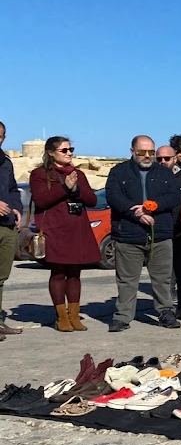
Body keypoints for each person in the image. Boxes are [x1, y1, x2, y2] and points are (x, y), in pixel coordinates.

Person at [105, 135, 181, 332]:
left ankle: (165, 312)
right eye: (142, 152)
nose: (147, 156)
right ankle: (123, 316)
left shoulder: (164, 173)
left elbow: (174, 196)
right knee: (127, 280)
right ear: (132, 151)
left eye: (151, 152)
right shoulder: (119, 172)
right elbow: (114, 197)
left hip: (160, 234)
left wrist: (155, 206)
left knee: (162, 278)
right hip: (129, 234)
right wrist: (134, 211)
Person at [28, 137, 100, 332]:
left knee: (75, 274)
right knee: (59, 273)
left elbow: (92, 200)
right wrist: (64, 188)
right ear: (51, 153)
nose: (69, 153)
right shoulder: (39, 174)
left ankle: (74, 315)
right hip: (55, 230)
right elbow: (41, 200)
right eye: (64, 150)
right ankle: (61, 318)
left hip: (77, 228)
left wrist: (76, 190)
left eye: (71, 149)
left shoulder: (79, 174)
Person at [157, 144, 181, 320]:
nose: (163, 162)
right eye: (159, 159)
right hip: (158, 234)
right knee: (162, 275)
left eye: (166, 158)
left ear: (174, 159)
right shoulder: (151, 180)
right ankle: (164, 308)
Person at [0, 120, 23, 339]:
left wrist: (16, 208)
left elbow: (13, 189)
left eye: (1, 135)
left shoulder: (6, 162)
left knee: (1, 277)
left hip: (6, 227)